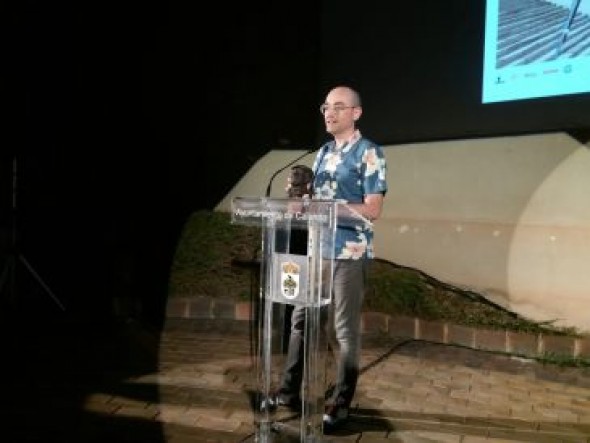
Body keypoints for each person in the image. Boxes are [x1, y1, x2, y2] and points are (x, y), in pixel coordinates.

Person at [275, 85, 388, 433]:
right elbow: (310, 204)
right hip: (316, 251)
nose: (330, 112)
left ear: (356, 113)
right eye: (326, 106)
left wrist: (328, 208)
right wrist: (298, 203)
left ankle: (341, 401)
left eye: (339, 107)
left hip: (348, 253)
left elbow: (373, 210)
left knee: (343, 330)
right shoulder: (322, 153)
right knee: (301, 321)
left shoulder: (370, 153)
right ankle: (288, 391)